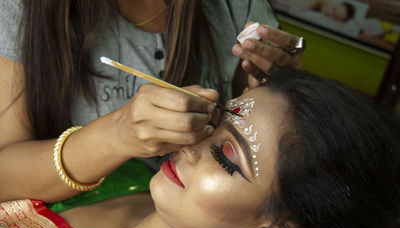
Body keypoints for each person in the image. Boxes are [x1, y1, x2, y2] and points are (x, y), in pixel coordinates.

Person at [1, 68, 399, 228]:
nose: (190, 143)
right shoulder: (137, 178)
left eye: (227, 156)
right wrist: (116, 134)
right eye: (214, 119)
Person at [0, 0, 304, 204]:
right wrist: (116, 136)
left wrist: (274, 91)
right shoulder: (26, 9)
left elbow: (247, 118)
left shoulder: (237, 7)